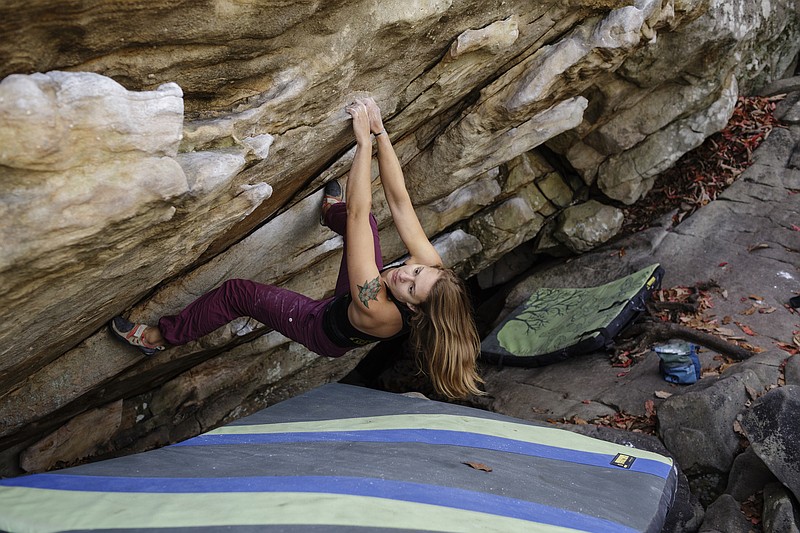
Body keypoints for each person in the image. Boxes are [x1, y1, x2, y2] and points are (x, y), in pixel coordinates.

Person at [110, 97, 483, 399]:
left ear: (414, 310)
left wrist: (363, 143)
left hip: (319, 326)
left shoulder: (380, 311)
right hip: (349, 297)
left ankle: (159, 338)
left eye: (410, 287)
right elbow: (400, 203)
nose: (406, 273)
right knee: (366, 228)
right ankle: (326, 211)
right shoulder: (432, 270)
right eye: (416, 271)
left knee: (237, 292)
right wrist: (382, 134)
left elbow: (358, 211)